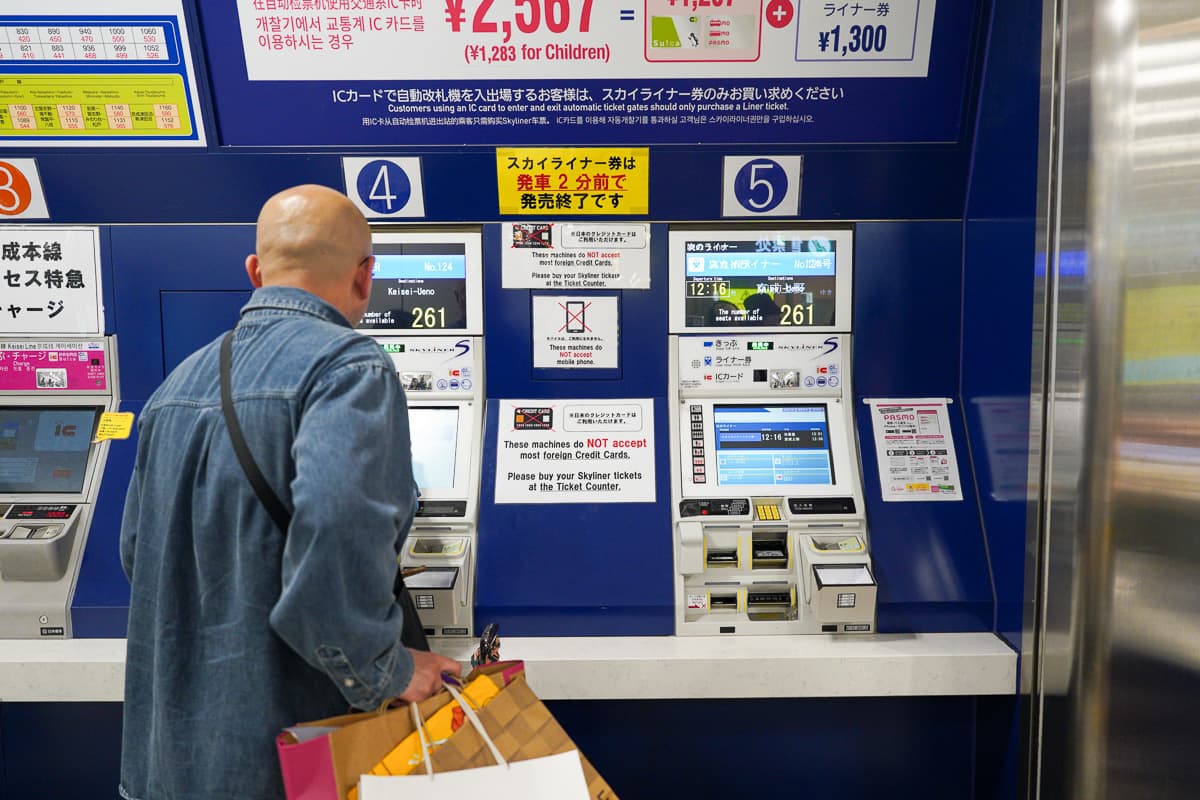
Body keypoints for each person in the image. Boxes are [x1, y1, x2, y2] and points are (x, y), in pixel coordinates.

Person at [118, 185, 461, 800]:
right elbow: (336, 530)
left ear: (255, 271)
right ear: (365, 277)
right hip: (288, 758)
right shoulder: (350, 368)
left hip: (168, 759)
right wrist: (389, 666)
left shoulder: (176, 384)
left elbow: (137, 553)